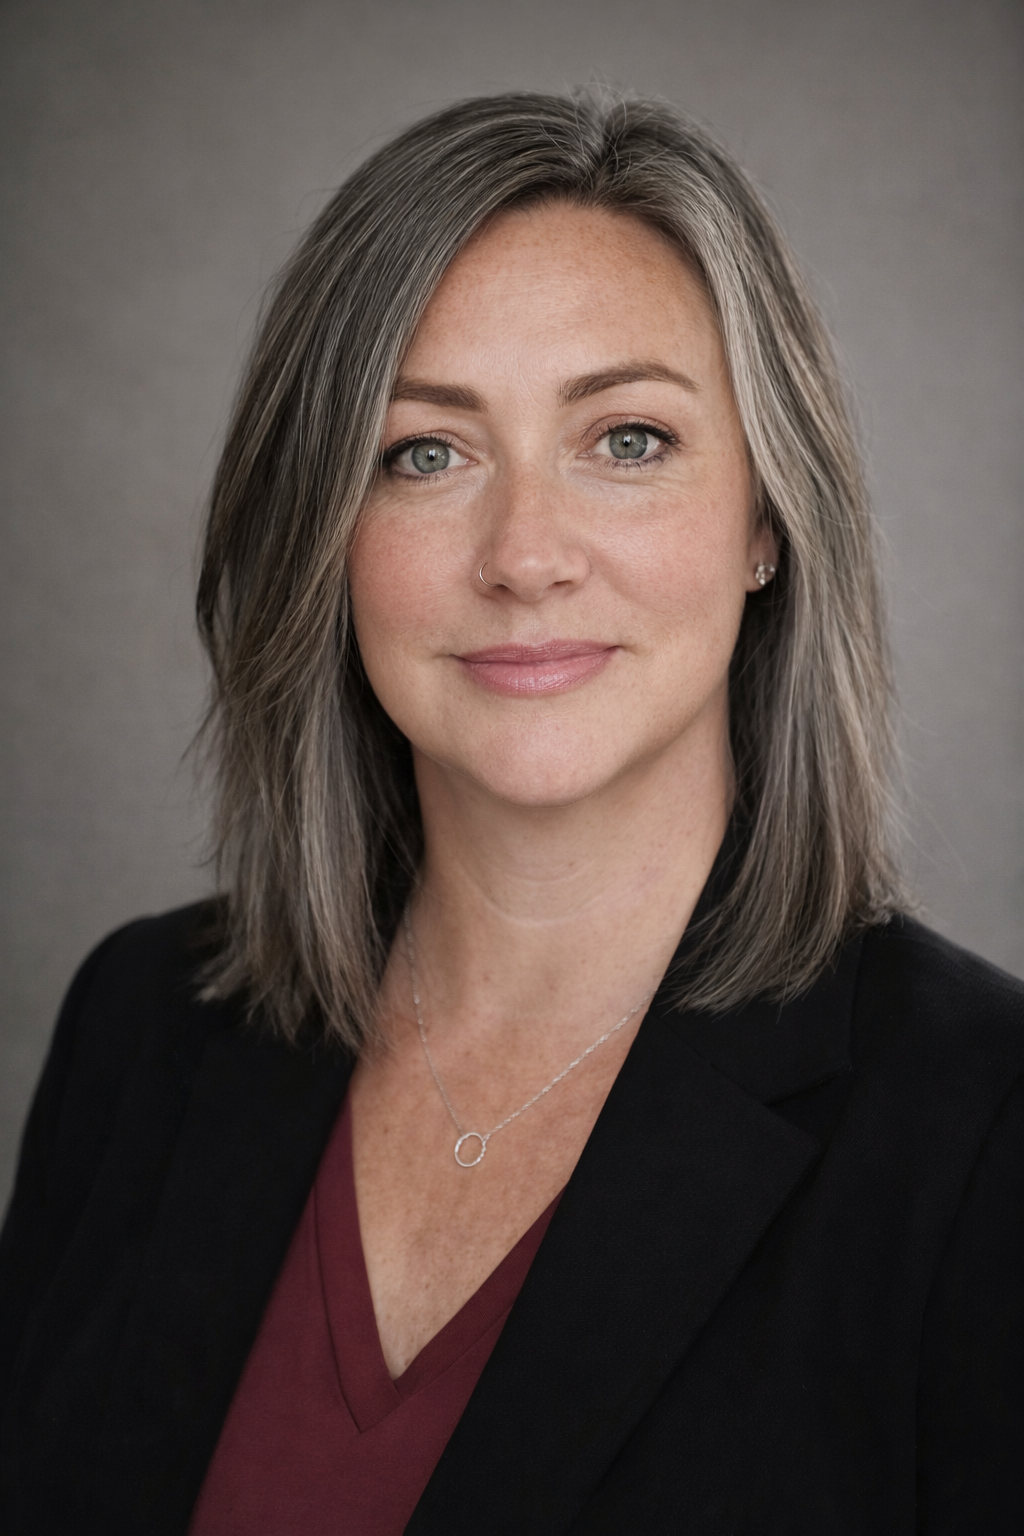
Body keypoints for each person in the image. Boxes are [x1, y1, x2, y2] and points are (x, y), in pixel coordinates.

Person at [1, 91, 1021, 1536]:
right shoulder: (144, 1028)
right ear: (322, 535)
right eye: (426, 452)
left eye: (628, 440)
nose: (526, 555)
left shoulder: (985, 1132)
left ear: (766, 519)